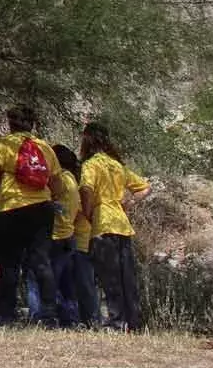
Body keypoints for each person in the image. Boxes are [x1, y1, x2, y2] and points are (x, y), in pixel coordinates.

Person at [0, 107, 60, 324]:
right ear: (32, 124)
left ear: (11, 124)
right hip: (41, 209)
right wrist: (49, 196)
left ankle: (5, 315)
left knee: (9, 264)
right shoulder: (44, 147)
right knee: (42, 262)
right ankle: (49, 315)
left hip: (9, 209)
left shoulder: (4, 144)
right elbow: (58, 183)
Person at [81, 122, 151, 331]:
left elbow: (86, 190)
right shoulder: (117, 165)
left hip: (103, 222)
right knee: (126, 277)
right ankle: (133, 321)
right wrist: (128, 202)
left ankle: (116, 321)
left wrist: (88, 212)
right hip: (122, 224)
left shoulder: (91, 165)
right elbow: (145, 187)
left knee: (109, 277)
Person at [54, 143, 99, 327]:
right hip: (82, 237)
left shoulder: (68, 181)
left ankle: (90, 320)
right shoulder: (76, 180)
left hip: (80, 239)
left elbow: (79, 211)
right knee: (77, 284)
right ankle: (81, 319)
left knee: (82, 284)